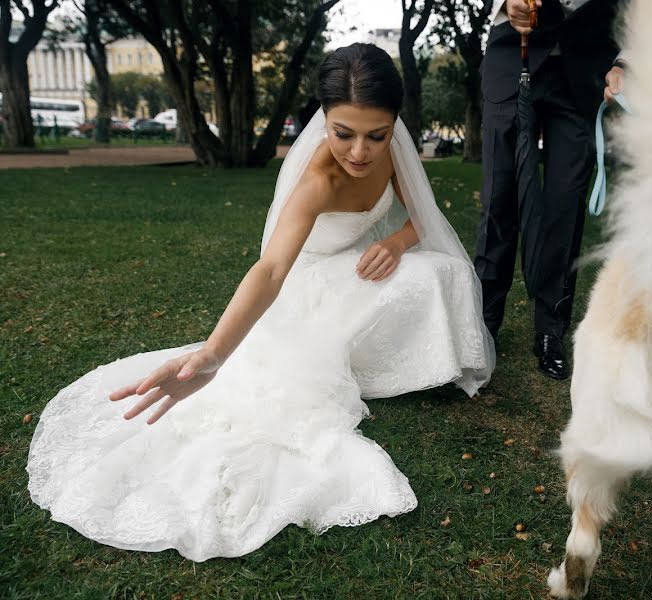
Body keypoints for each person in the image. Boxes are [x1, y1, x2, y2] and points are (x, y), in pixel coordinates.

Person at [26, 43, 495, 562]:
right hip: (308, 283)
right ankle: (353, 361)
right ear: (323, 122)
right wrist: (213, 354)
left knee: (441, 270)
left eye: (375, 136)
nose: (361, 151)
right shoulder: (317, 179)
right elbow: (271, 270)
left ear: (393, 127)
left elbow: (422, 218)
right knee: (298, 374)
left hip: (355, 266)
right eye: (344, 134)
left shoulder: (394, 152)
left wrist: (396, 242)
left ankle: (395, 364)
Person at [476, 0, 623, 379]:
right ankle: (482, 324)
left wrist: (625, 63)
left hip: (587, 67)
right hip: (514, 52)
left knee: (565, 207)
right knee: (498, 199)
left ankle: (550, 332)